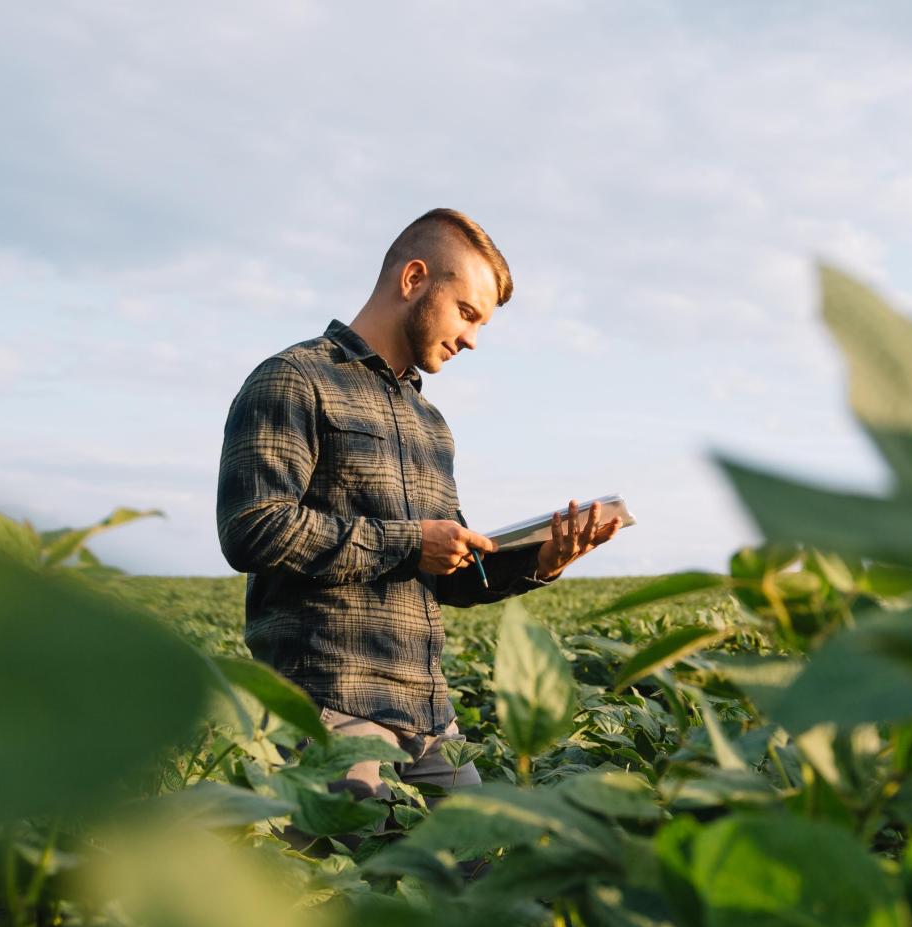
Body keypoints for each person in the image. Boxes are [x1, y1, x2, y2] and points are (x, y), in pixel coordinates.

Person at [215, 208, 618, 806]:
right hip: (326, 705)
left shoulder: (431, 425)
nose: (472, 339)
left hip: (430, 717)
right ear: (413, 281)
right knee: (347, 892)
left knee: (482, 875)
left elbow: (445, 576)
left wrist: (544, 559)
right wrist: (409, 540)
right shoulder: (294, 380)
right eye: (467, 313)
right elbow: (253, 528)